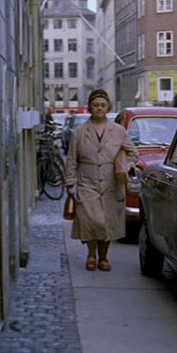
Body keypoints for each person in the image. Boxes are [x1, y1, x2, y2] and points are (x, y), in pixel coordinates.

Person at [64, 89, 138, 271]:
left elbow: (133, 153)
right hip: (87, 183)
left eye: (103, 105)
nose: (99, 108)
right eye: (95, 105)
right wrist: (70, 183)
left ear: (108, 108)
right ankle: (91, 254)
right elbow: (72, 159)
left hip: (111, 183)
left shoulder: (119, 131)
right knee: (91, 221)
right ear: (90, 107)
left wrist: (126, 164)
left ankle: (103, 257)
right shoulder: (79, 132)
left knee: (106, 222)